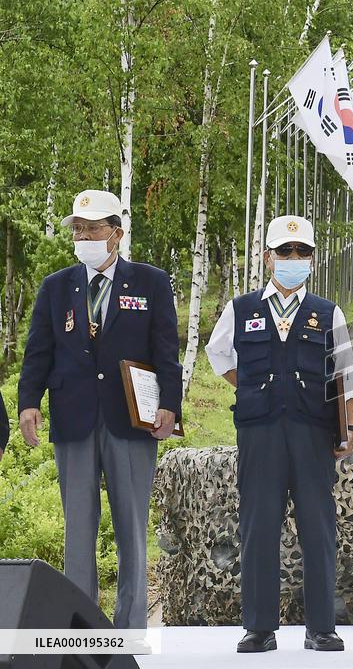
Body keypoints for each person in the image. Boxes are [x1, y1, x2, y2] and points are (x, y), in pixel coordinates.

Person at [17, 189, 181, 630]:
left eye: (93, 228)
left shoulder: (151, 282)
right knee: (79, 531)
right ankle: (81, 629)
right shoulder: (56, 287)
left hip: (130, 421)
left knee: (131, 526)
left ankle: (129, 629)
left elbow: (167, 350)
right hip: (74, 419)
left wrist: (170, 404)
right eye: (78, 229)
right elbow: (38, 352)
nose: (84, 235)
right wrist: (28, 403)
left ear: (117, 233)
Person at [206, 214, 353, 653]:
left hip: (313, 433)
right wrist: (254, 389)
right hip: (259, 433)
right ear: (267, 257)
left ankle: (321, 627)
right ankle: (258, 626)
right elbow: (219, 356)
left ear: (312, 258)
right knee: (258, 526)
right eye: (285, 251)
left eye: (302, 252)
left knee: (318, 527)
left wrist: (349, 427)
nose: (294, 259)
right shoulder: (241, 308)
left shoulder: (328, 313)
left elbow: (347, 375)